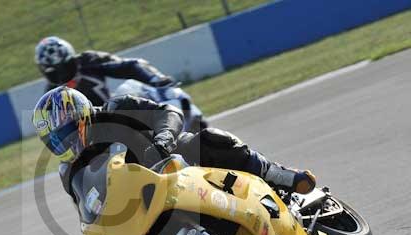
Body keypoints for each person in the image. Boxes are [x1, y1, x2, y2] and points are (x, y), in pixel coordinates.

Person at [32, 86, 316, 203]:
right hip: (144, 198)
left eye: (65, 131)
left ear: (80, 115)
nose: (64, 141)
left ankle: (277, 174)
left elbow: (167, 113)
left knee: (207, 140)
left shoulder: (117, 107)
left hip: (175, 160)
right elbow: (86, 210)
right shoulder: (70, 171)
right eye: (54, 139)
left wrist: (164, 138)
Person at [35, 36, 174, 106]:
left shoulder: (88, 61)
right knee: (66, 163)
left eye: (63, 68)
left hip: (117, 112)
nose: (61, 75)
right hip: (91, 135)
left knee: (130, 88)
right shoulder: (51, 94)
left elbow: (129, 66)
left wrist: (156, 79)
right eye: (54, 71)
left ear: (70, 58)